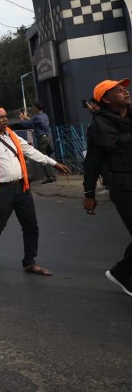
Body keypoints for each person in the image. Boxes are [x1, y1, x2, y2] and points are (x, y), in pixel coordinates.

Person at [0, 106, 69, 275]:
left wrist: (53, 163)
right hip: (0, 190)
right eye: (0, 117)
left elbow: (30, 151)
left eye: (5, 116)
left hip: (22, 188)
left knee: (31, 225)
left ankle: (29, 262)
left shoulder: (13, 136)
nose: (5, 119)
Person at [82, 78, 132, 296]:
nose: (125, 93)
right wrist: (89, 194)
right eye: (118, 91)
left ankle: (122, 272)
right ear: (106, 100)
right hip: (123, 186)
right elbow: (92, 162)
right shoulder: (99, 126)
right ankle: (120, 272)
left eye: (125, 89)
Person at [18, 103, 57, 184]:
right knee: (48, 156)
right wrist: (27, 118)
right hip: (47, 138)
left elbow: (27, 124)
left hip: (41, 139)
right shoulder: (44, 115)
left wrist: (22, 119)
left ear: (36, 108)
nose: (33, 108)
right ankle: (53, 175)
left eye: (34, 107)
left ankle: (49, 177)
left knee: (42, 157)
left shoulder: (37, 117)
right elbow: (36, 122)